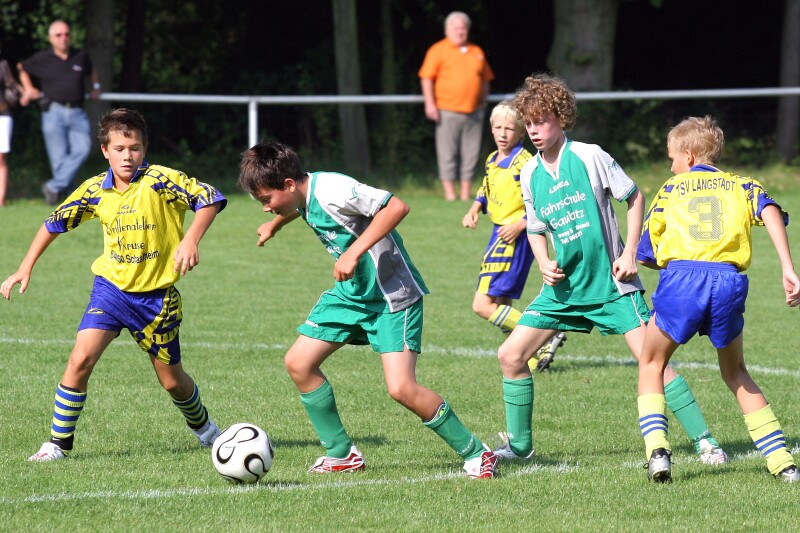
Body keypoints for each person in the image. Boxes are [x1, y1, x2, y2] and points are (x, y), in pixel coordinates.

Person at [491, 74, 727, 467]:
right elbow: (534, 226)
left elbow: (635, 198)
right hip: (564, 290)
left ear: (561, 118)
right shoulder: (530, 173)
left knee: (654, 363)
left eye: (541, 121)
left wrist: (630, 252)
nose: (533, 130)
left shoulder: (590, 156)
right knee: (511, 355)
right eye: (528, 123)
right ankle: (520, 448)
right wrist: (544, 261)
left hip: (612, 286)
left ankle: (707, 442)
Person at [237, 142, 499, 478]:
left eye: (266, 200)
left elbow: (396, 207)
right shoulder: (301, 193)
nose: (265, 208)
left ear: (288, 184)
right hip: (352, 295)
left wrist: (354, 252)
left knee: (401, 388)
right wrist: (276, 224)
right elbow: (300, 206)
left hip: (392, 296)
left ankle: (477, 452)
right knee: (299, 363)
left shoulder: (334, 189)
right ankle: (342, 453)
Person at [0, 108, 227, 461]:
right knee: (80, 358)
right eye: (119, 149)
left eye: (134, 148)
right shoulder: (95, 189)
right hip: (111, 290)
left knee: (172, 381)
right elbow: (53, 223)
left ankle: (207, 431)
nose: (127, 156)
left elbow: (210, 198)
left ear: (144, 148)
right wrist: (24, 267)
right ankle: (57, 444)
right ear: (105, 151)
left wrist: (190, 239)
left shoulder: (160, 181)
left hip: (156, 300)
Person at [636, 115, 800, 483]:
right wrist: (788, 268)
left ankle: (658, 452)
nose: (671, 166)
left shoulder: (671, 188)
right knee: (736, 371)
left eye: (672, 159)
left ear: (689, 157)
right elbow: (771, 210)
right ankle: (783, 464)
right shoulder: (742, 184)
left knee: (651, 362)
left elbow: (646, 254)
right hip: (728, 281)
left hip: (682, 279)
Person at [462, 101, 566, 371]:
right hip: (499, 232)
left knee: (482, 304)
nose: (503, 133)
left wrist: (521, 224)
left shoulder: (525, 163)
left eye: (509, 129)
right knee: (501, 302)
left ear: (521, 133)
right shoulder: (492, 159)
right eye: (498, 127)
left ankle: (544, 335)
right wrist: (474, 208)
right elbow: (486, 188)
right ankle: (526, 358)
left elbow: (540, 199)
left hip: (514, 236)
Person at [17, 20, 101, 205]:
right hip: (53, 112)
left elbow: (92, 70)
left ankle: (53, 187)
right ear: (51, 38)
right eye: (59, 35)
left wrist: (95, 87)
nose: (63, 38)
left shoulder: (80, 56)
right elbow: (22, 68)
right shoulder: (43, 58)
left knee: (83, 148)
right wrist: (29, 89)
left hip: (78, 111)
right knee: (59, 160)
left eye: (66, 34)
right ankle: (69, 199)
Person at [419, 11, 494, 202]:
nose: (460, 32)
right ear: (447, 30)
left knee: (471, 153)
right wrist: (430, 104)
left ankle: (466, 194)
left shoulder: (476, 51)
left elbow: (485, 78)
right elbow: (427, 78)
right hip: (447, 110)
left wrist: (483, 99)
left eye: (463, 28)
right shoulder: (438, 50)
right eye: (456, 28)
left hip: (474, 111)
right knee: (447, 154)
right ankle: (450, 195)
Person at [0, 45, 21, 207]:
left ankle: (1, 198)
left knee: (1, 157)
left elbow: (11, 86)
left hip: (2, 114)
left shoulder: (2, 64)